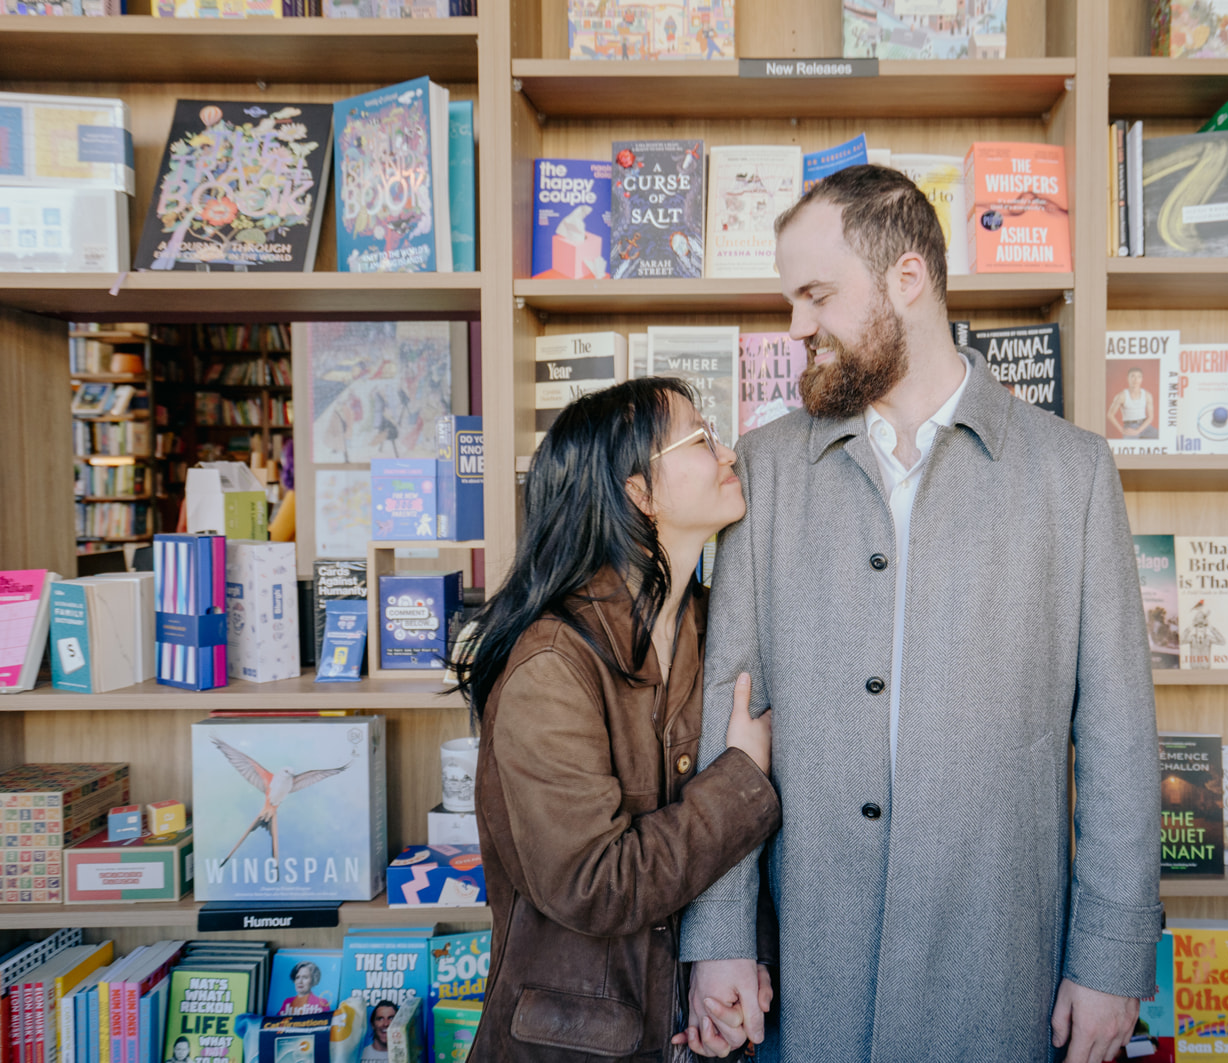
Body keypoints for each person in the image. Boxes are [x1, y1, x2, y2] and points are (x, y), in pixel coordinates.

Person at [679, 165, 1162, 1060]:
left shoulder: (1072, 472)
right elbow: (728, 718)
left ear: (908, 279)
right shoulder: (766, 468)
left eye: (816, 295)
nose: (796, 326)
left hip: (1003, 967)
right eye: (791, 299)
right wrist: (718, 937)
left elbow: (1119, 738)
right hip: (809, 968)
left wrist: (1112, 959)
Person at [456, 379, 782, 1061]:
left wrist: (724, 968)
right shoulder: (552, 663)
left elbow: (733, 861)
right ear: (639, 493)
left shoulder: (713, 628)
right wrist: (742, 780)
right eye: (701, 439)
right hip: (569, 1046)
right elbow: (595, 881)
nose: (729, 453)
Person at [1106, 367, 1155, 438]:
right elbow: (1110, 414)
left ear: (1142, 379)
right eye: (1133, 376)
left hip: (1145, 426)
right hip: (1130, 427)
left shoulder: (1147, 395)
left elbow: (1151, 417)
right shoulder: (1121, 396)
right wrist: (1122, 430)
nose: (1136, 380)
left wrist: (1138, 430)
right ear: (1127, 378)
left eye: (1139, 377)